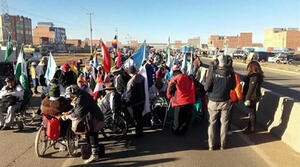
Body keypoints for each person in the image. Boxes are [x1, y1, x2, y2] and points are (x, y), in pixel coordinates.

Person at [64, 85, 104, 164]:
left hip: (94, 119)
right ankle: (93, 153)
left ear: (74, 93)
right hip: (91, 118)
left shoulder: (81, 98)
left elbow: (78, 113)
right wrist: (69, 112)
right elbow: (77, 108)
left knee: (92, 135)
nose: (70, 97)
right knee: (89, 135)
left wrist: (67, 116)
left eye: (71, 95)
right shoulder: (81, 95)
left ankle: (94, 155)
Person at [204, 55, 236, 150]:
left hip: (213, 101)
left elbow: (206, 87)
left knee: (212, 123)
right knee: (224, 124)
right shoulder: (230, 73)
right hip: (225, 101)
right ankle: (223, 144)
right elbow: (233, 86)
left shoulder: (213, 72)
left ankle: (211, 145)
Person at [167, 65, 196, 135]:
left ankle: (176, 132)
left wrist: (169, 97)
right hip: (190, 101)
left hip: (179, 102)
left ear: (174, 74)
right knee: (186, 119)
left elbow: (169, 91)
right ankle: (183, 131)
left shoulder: (174, 79)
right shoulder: (189, 78)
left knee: (177, 119)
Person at [123, 66, 145, 137]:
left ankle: (138, 133)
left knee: (136, 117)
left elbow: (129, 92)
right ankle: (140, 131)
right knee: (140, 117)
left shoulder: (131, 81)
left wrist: (127, 100)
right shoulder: (142, 78)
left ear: (129, 73)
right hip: (142, 100)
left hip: (134, 102)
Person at [243, 61, 264, 133]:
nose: (248, 68)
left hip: (252, 97)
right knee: (252, 112)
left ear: (252, 67)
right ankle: (250, 126)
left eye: (249, 67)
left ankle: (252, 128)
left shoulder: (254, 76)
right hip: (255, 96)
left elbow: (251, 88)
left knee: (252, 113)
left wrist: (247, 98)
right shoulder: (258, 75)